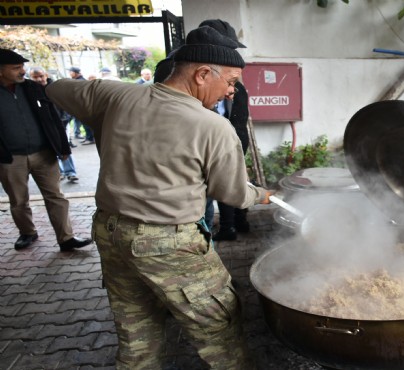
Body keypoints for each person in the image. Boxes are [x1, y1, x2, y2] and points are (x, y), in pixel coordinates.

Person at [46, 26, 271, 369]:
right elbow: (233, 193)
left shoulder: (118, 97)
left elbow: (56, 88)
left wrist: (101, 108)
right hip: (169, 243)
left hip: (111, 233)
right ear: (201, 74)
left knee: (136, 330)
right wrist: (261, 194)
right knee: (218, 327)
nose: (231, 92)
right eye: (230, 81)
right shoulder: (212, 127)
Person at [0, 49, 93, 252]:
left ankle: (66, 238)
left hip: (44, 153)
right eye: (16, 68)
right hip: (10, 158)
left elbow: (53, 117)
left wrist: (63, 146)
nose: (22, 71)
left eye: (22, 67)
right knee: (18, 200)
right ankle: (28, 233)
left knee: (56, 197)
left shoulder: (33, 88)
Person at [199, 18, 251, 241]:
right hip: (207, 149)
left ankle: (239, 222)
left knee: (234, 182)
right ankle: (226, 228)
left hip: (235, 142)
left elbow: (240, 118)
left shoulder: (237, 87)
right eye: (229, 48)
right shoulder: (190, 81)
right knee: (216, 191)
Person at [28, 66, 80, 183]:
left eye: (41, 76)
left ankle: (70, 171)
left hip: (61, 122)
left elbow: (65, 104)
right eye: (35, 77)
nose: (39, 79)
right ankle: (60, 172)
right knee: (52, 148)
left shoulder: (55, 88)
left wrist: (65, 118)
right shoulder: (31, 91)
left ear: (46, 75)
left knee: (63, 145)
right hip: (45, 125)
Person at [68, 66, 95, 145]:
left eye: (71, 72)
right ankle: (89, 137)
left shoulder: (80, 81)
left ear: (75, 73)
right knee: (85, 123)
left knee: (86, 123)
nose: (70, 73)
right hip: (82, 106)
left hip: (83, 106)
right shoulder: (79, 80)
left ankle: (90, 138)